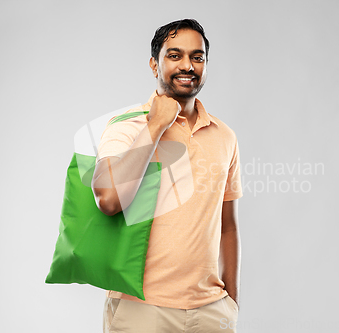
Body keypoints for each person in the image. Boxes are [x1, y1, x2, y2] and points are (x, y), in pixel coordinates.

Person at [92, 18, 243, 333]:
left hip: (212, 313)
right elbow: (108, 199)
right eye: (175, 55)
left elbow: (227, 225)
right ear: (154, 64)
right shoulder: (126, 126)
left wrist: (231, 300)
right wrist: (157, 124)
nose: (187, 65)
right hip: (141, 311)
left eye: (197, 57)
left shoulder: (224, 136)